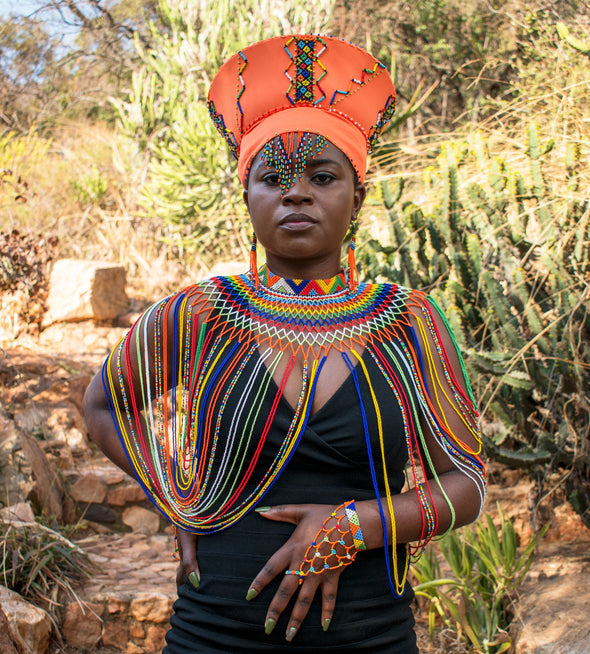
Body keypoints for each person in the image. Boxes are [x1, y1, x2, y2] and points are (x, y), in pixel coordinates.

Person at [83, 34, 486, 653]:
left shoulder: (409, 321)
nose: (296, 193)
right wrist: (176, 498)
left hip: (368, 632)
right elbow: (101, 408)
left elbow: (466, 485)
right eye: (272, 177)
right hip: (214, 629)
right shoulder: (199, 315)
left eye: (322, 176)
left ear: (357, 193)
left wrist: (357, 524)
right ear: (246, 196)